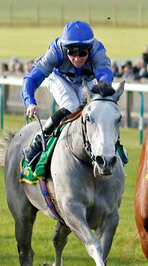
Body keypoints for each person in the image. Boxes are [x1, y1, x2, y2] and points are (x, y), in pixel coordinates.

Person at [20, 20, 116, 163]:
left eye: (82, 53)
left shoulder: (98, 51)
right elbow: (31, 79)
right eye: (72, 52)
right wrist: (30, 102)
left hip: (84, 80)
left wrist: (102, 90)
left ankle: (115, 145)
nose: (77, 58)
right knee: (71, 105)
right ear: (65, 49)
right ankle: (40, 139)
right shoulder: (55, 52)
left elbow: (105, 74)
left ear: (90, 49)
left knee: (92, 107)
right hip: (59, 78)